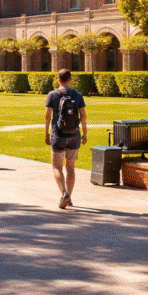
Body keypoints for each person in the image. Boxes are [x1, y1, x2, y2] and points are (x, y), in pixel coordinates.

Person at [44, 69, 88, 210]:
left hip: (58, 134)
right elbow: (83, 116)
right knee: (70, 167)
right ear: (70, 79)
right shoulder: (77, 95)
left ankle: (64, 194)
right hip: (74, 135)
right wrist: (85, 133)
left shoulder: (52, 95)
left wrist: (46, 133)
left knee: (57, 166)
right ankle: (69, 197)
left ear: (58, 79)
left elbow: (47, 117)